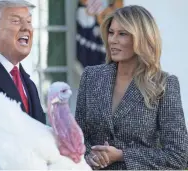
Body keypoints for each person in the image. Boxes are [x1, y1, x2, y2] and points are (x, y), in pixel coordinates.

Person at [75, 5, 188, 170]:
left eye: (122, 34)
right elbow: (78, 138)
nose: (113, 39)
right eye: (111, 32)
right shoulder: (91, 77)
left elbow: (179, 155)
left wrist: (122, 155)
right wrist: (90, 157)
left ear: (141, 38)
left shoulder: (164, 84)